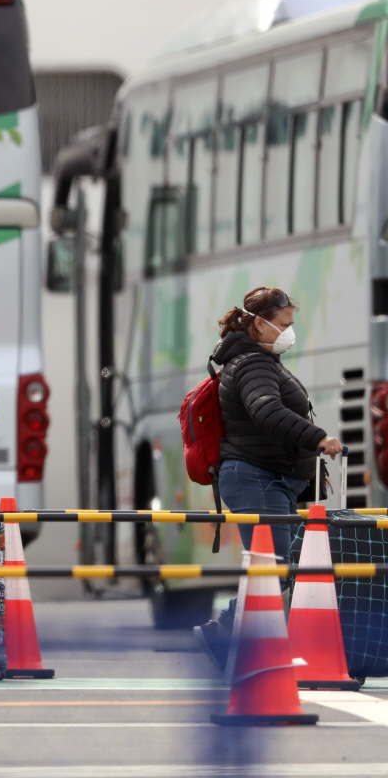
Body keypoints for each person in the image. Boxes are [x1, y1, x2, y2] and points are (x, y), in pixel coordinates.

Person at [193, 286, 343, 669]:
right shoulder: (253, 364)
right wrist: (318, 438)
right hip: (256, 478)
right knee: (273, 571)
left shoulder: (256, 360)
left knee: (273, 570)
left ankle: (236, 645)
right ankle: (233, 641)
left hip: (263, 478)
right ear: (258, 324)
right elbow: (267, 412)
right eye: (283, 324)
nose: (289, 332)